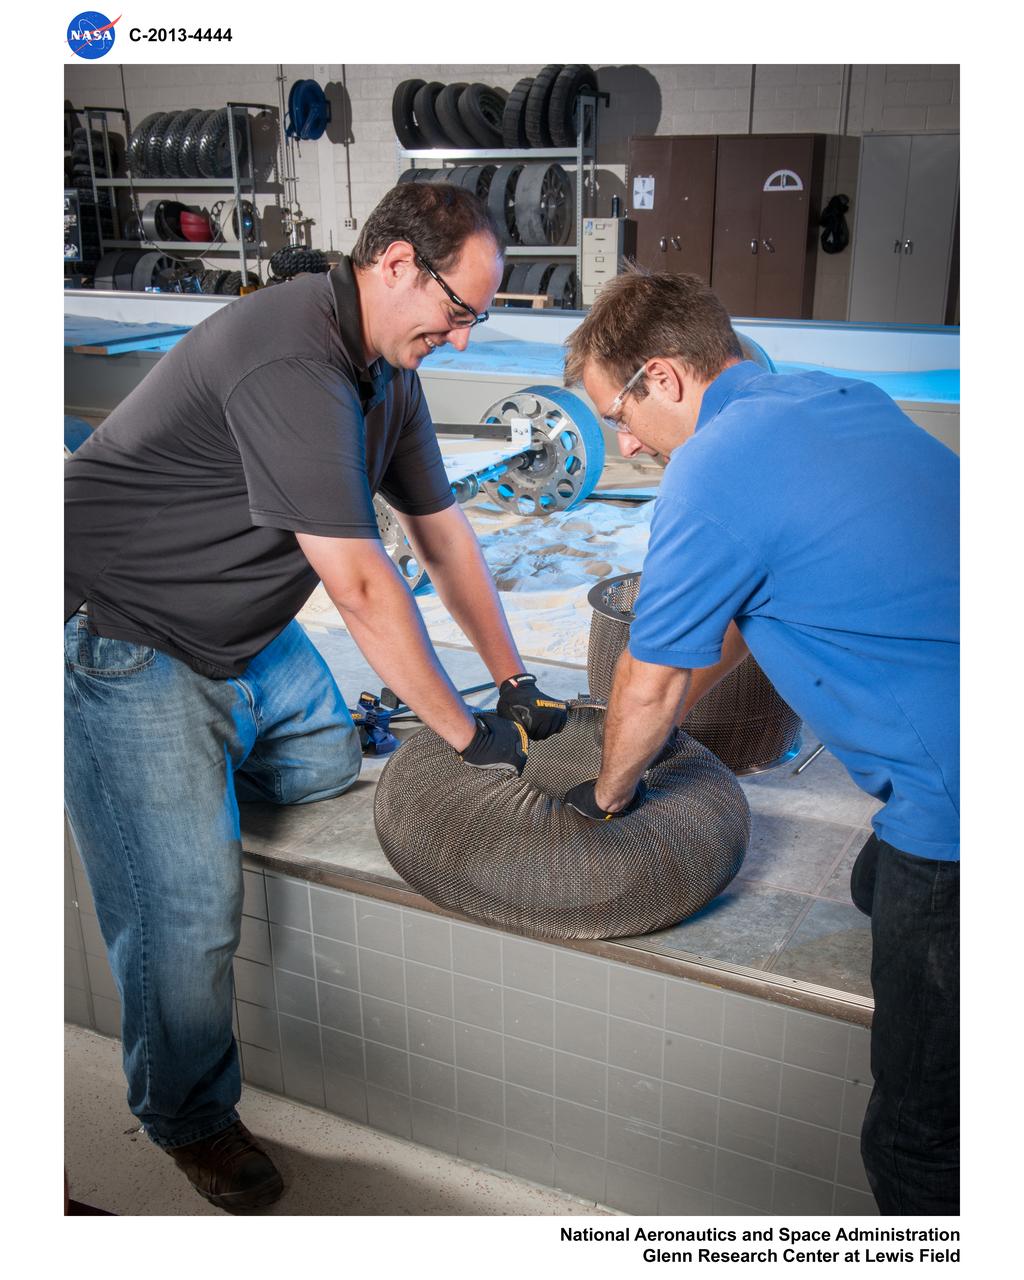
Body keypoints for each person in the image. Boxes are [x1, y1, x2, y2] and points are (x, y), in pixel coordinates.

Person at [64, 182, 565, 1212]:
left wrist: (515, 680)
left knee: (324, 761)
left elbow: (441, 536)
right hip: (130, 629)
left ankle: (170, 787)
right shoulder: (290, 354)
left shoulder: (389, 372)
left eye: (478, 317)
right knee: (186, 911)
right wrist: (466, 733)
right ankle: (188, 1115)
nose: (463, 339)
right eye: (457, 311)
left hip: (242, 630)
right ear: (392, 263)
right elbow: (364, 585)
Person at [562, 269, 959, 1216]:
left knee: (920, 1133)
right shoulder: (833, 396)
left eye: (616, 412)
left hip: (970, 801)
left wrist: (611, 789)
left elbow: (651, 675)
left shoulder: (714, 465)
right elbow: (726, 621)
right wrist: (660, 730)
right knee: (874, 883)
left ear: (664, 377)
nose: (622, 441)